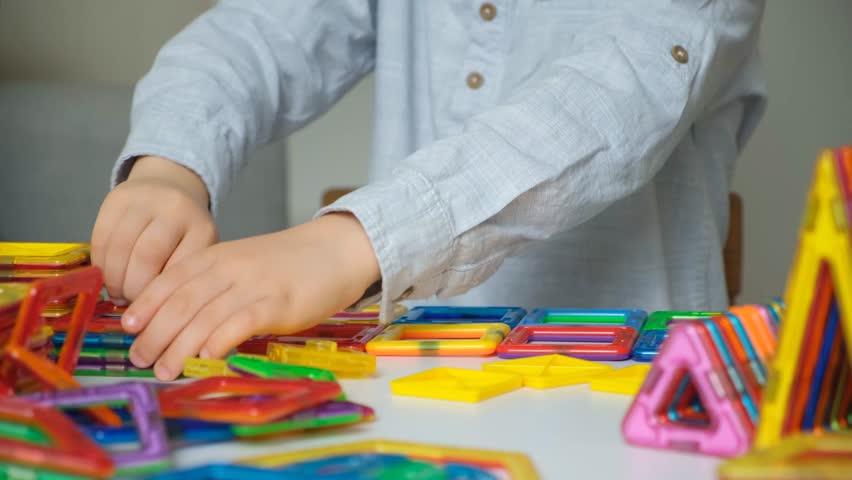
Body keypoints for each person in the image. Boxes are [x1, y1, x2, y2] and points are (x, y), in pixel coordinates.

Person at [91, 1, 767, 381]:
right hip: (402, 381)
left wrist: (348, 244)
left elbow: (612, 98)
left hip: (637, 398)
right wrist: (167, 166)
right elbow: (258, 34)